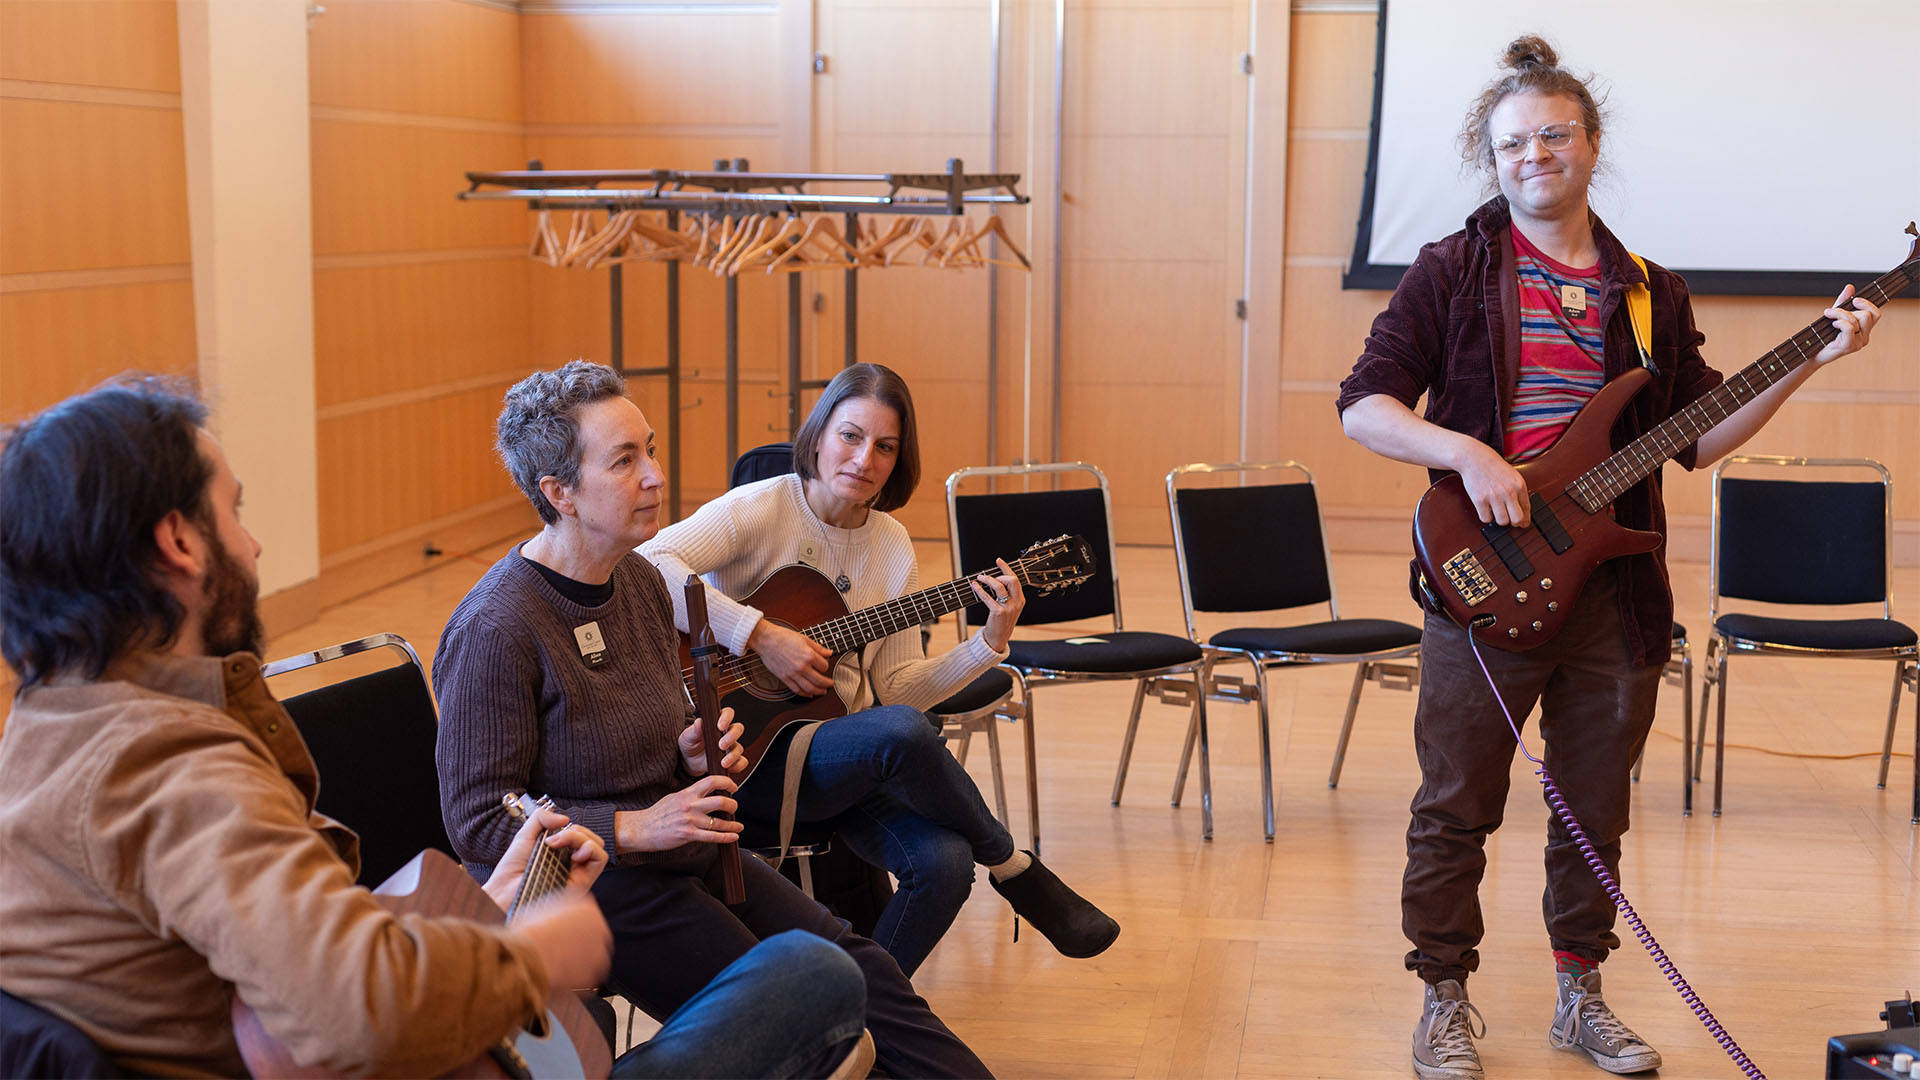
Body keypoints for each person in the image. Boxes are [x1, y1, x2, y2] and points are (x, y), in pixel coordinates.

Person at [0, 377, 870, 1080]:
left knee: (805, 972)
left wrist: (486, 914)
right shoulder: (171, 766)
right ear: (179, 544)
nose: (256, 546)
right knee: (811, 981)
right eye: (235, 511)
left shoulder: (50, 731)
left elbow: (292, 953)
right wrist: (532, 955)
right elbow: (357, 1010)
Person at [1334, 36, 1881, 1080]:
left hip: (1615, 593)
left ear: (1590, 144)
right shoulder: (1453, 269)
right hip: (1480, 577)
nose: (1534, 154)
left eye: (1553, 134)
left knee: (1594, 810)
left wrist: (1809, 359)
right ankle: (1443, 1000)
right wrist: (1469, 454)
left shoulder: (1648, 292)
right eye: (1512, 143)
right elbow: (1366, 407)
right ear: (1489, 158)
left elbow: (1699, 436)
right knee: (1455, 806)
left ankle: (1580, 992)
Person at [434, 360, 994, 1078]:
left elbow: (648, 735)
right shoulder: (497, 624)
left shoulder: (636, 578)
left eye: (652, 450)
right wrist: (635, 825)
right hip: (586, 885)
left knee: (861, 972)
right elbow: (479, 822)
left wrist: (691, 757)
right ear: (559, 493)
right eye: (625, 461)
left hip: (678, 852)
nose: (654, 475)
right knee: (808, 1004)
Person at [640, 361, 1121, 976]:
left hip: (839, 760)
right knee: (898, 731)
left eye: (885, 447)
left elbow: (898, 691)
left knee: (945, 864)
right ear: (817, 437)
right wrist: (762, 636)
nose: (864, 459)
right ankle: (1013, 866)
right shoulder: (764, 507)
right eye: (850, 436)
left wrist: (988, 642)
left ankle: (864, 1022)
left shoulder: (891, 545)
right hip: (744, 755)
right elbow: (651, 561)